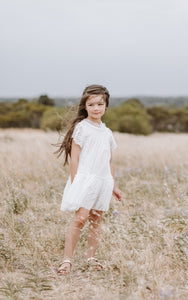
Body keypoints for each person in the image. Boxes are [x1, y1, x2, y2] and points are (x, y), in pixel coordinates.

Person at [56, 84, 123, 274]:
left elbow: (109, 161)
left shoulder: (107, 132)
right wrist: (76, 183)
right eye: (91, 104)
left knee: (96, 218)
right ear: (85, 106)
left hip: (103, 181)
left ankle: (91, 258)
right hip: (85, 179)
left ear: (106, 107)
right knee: (80, 218)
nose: (96, 108)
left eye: (100, 104)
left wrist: (114, 186)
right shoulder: (81, 128)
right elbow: (74, 158)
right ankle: (67, 260)